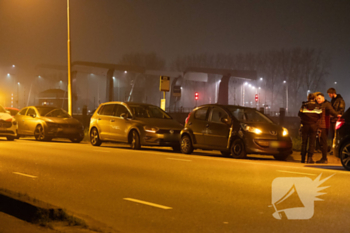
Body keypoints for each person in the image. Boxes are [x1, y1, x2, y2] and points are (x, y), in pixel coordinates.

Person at [315, 93, 342, 164]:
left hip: (324, 126)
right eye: (317, 98)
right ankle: (323, 158)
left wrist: (337, 115)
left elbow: (332, 111)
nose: (318, 100)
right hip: (319, 125)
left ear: (323, 98)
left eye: (319, 98)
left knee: (324, 142)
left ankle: (324, 158)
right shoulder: (319, 105)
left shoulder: (326, 104)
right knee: (321, 142)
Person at [327, 88, 345, 154]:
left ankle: (335, 149)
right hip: (332, 119)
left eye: (329, 94)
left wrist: (335, 115)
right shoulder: (333, 100)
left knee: (335, 135)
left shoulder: (340, 100)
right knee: (332, 135)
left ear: (333, 93)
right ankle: (333, 149)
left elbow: (341, 111)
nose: (329, 96)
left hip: (336, 120)